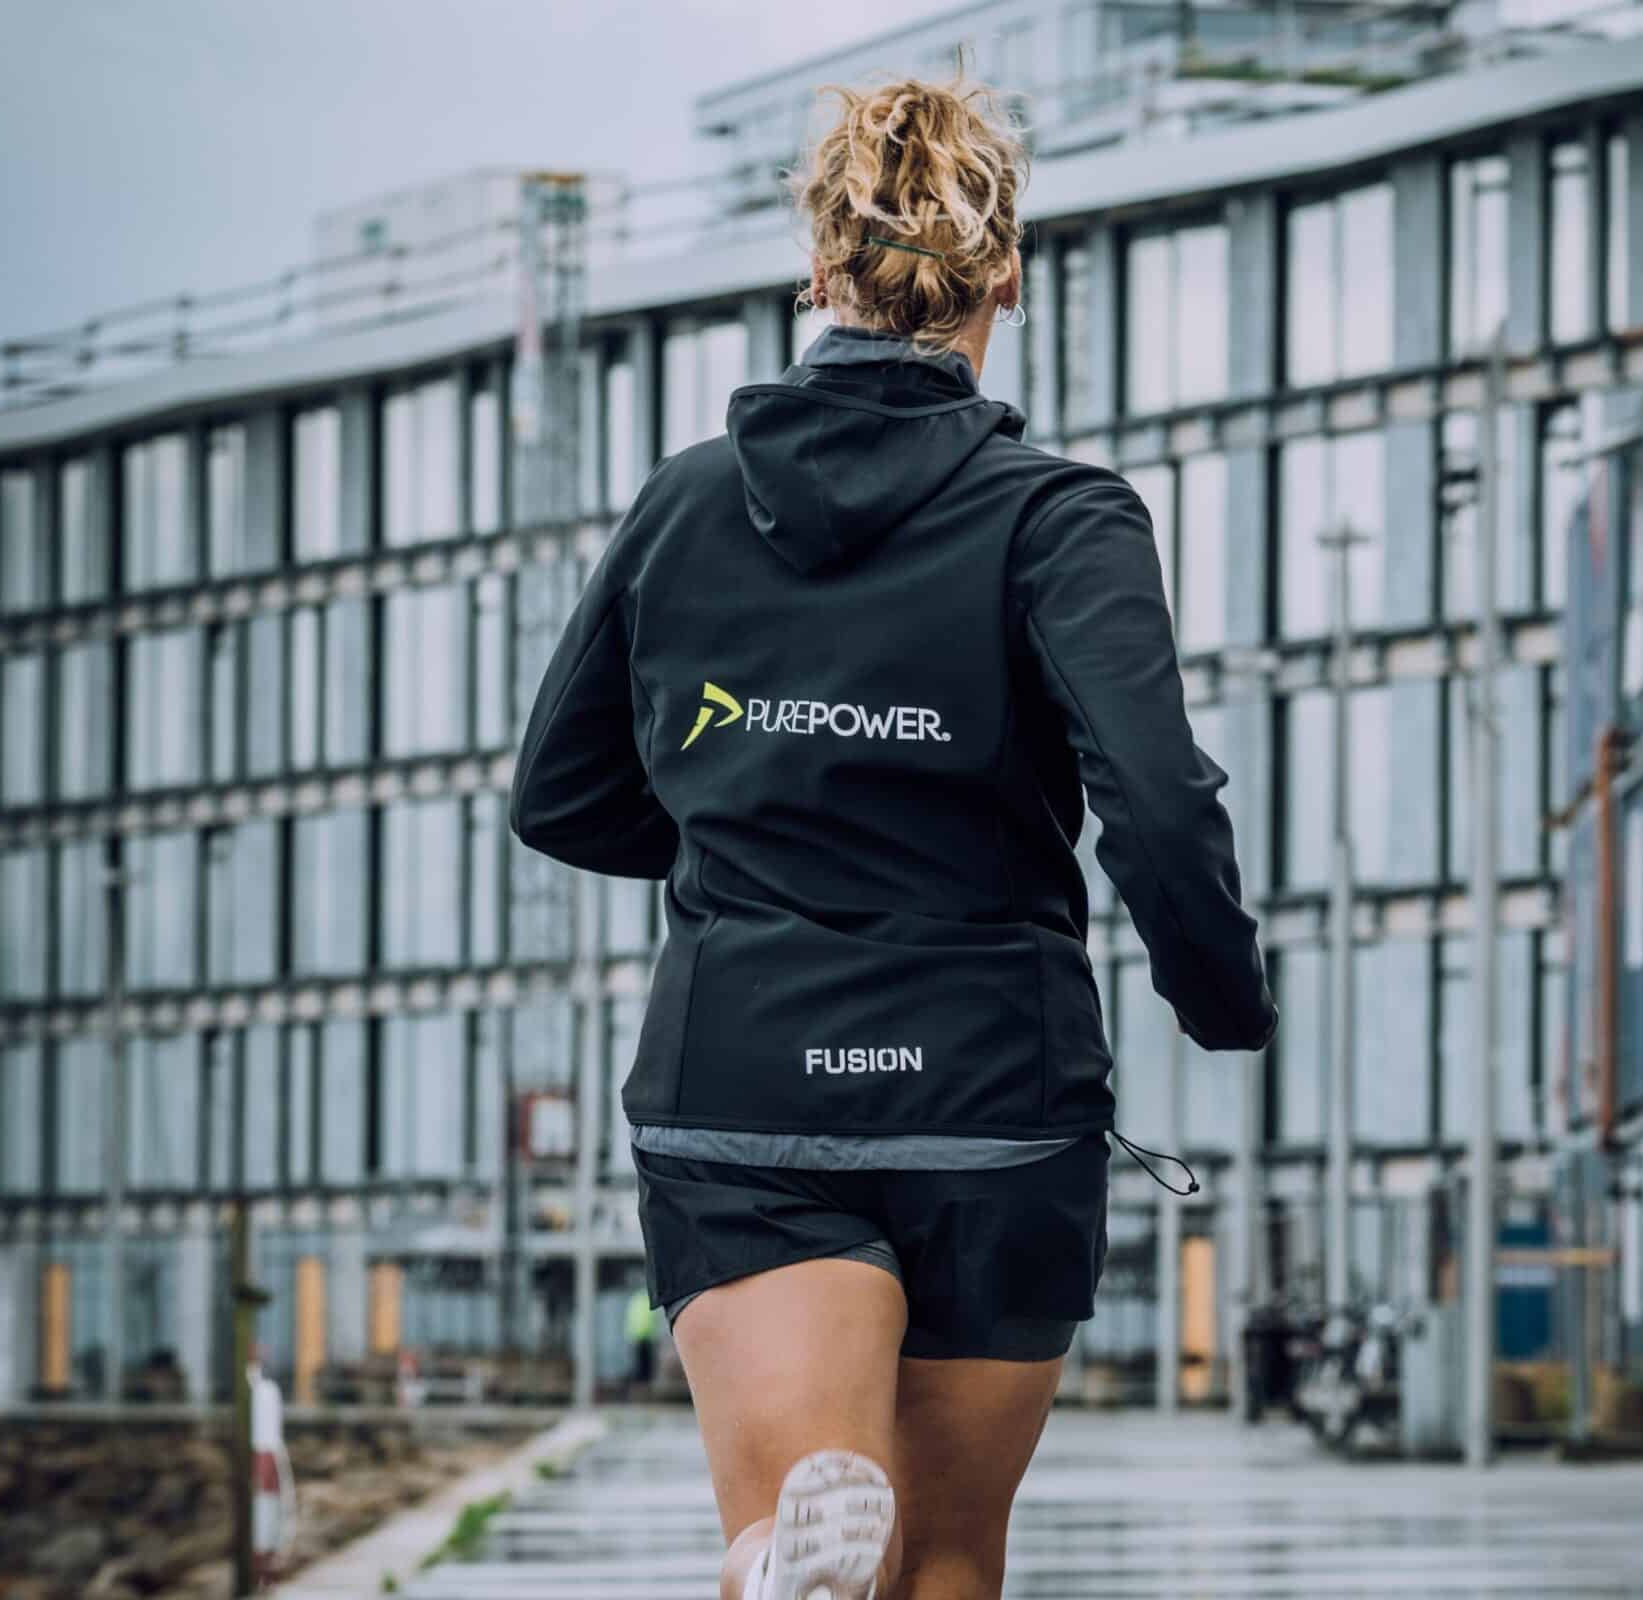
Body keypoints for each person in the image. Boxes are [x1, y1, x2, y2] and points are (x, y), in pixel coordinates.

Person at [511, 72, 1275, 1600]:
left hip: (742, 1083)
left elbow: (560, 791)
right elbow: (1158, 803)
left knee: (815, 1504)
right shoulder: (1061, 518)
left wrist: (765, 824)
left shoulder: (685, 508)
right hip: (986, 1091)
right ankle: (814, 1560)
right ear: (1007, 276)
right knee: (942, 1559)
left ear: (818, 273)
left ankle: (768, 1563)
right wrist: (1222, 998)